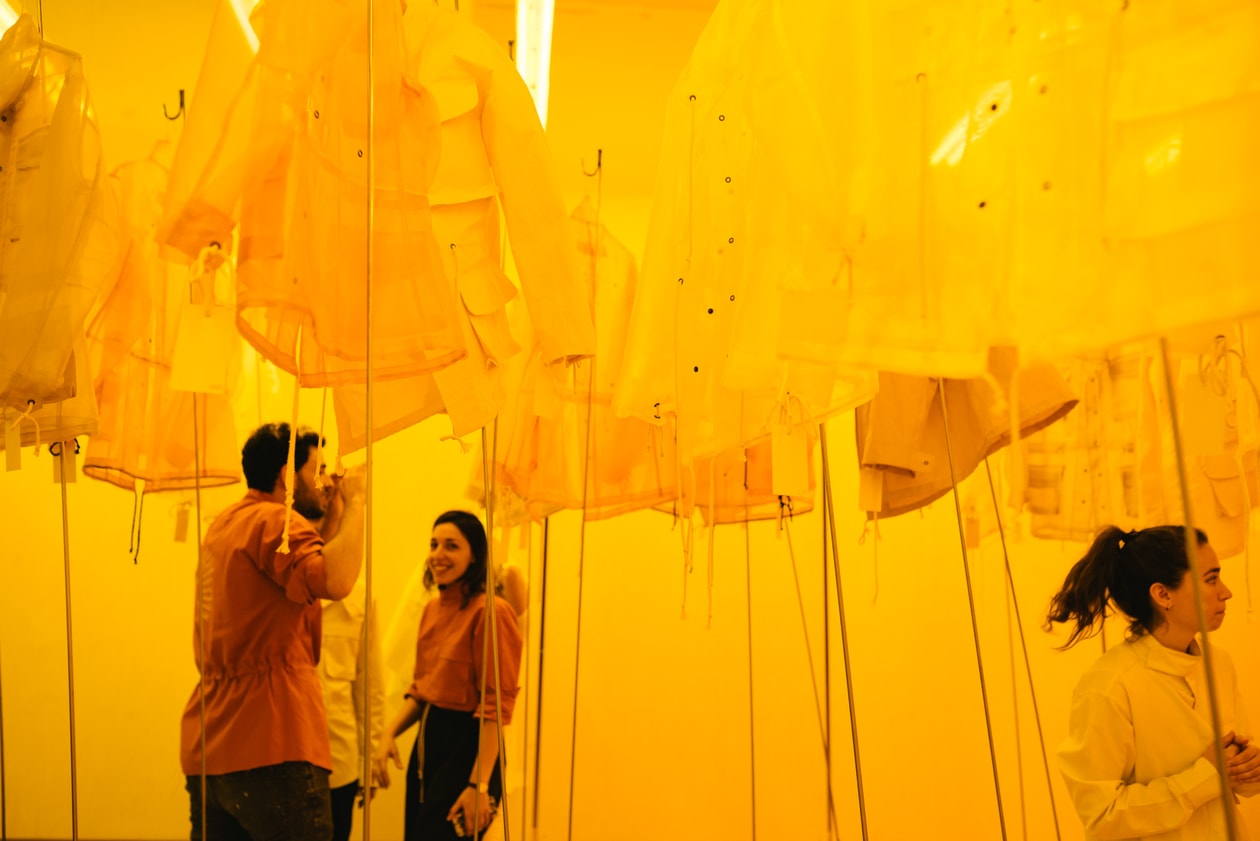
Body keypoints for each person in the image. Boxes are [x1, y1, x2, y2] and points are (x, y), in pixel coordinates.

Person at [179, 422, 366, 841]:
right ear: (287, 475)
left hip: (212, 747)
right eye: (317, 471)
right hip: (273, 739)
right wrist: (358, 504)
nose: (327, 484)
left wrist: (334, 513)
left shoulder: (227, 525)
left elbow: (306, 569)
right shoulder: (276, 524)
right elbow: (334, 580)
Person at [1047, 524, 1260, 840]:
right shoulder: (1110, 686)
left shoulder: (1219, 664)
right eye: (1211, 579)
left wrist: (1248, 768)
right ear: (1163, 594)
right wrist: (1205, 776)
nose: (1226, 591)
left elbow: (1238, 779)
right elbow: (1102, 818)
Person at [374, 511, 523, 840]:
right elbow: (423, 689)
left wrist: (479, 785)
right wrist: (388, 734)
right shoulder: (432, 610)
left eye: (451, 546)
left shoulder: (492, 612)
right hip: (428, 746)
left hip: (469, 750)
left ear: (475, 557)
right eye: (434, 544)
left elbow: (496, 706)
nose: (438, 554)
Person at [315, 469, 386, 841]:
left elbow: (369, 683)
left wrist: (371, 755)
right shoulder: (281, 579)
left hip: (340, 760)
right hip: (285, 764)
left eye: (337, 496)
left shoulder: (359, 596)